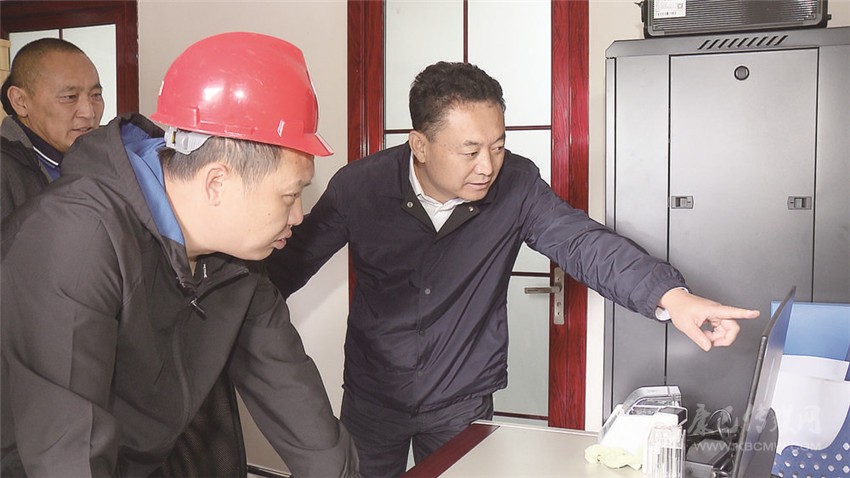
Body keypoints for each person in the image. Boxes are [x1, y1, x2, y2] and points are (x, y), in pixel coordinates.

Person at [265, 61, 760, 477]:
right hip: (374, 398)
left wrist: (672, 298)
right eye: (470, 151)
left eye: (497, 146)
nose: (487, 166)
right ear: (420, 145)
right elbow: (288, 264)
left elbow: (583, 242)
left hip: (461, 401)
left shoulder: (517, 185)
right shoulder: (359, 188)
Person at [1, 32, 359, 477]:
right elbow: (66, 451)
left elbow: (289, 388)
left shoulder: (237, 256)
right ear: (216, 183)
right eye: (290, 195)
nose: (299, 216)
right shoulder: (75, 237)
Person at [1, 37, 104, 220]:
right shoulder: (5, 172)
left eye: (95, 95)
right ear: (20, 101)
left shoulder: (99, 157)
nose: (89, 112)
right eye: (69, 97)